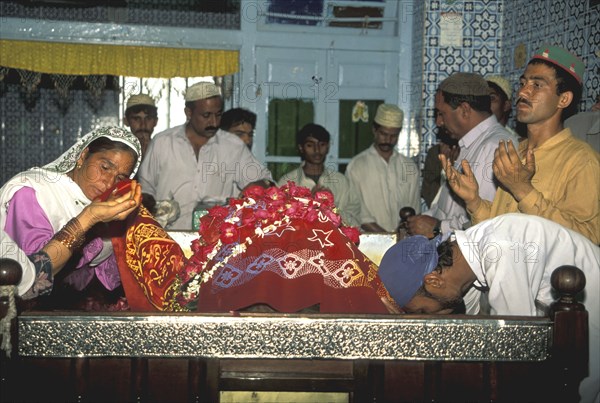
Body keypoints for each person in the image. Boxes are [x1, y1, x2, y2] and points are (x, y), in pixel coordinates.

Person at [377, 213, 599, 403]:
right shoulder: (463, 260)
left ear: (433, 281)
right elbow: (469, 333)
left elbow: (517, 349)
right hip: (569, 322)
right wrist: (407, 330)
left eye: (423, 312)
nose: (429, 317)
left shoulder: (499, 249)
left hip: (591, 319)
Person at [441, 45, 600, 244]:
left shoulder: (582, 160)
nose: (523, 92)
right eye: (523, 83)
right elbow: (503, 229)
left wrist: (523, 190)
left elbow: (588, 239)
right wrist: (474, 201)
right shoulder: (517, 151)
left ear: (564, 99)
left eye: (537, 85)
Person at [0, 127, 143, 304]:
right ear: (82, 156)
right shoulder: (33, 192)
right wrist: (90, 219)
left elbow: (104, 274)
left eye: (121, 178)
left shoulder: (100, 204)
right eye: (105, 167)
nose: (109, 182)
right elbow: (36, 274)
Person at [137, 81, 273, 230]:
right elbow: (145, 189)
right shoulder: (162, 142)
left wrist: (261, 185)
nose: (214, 122)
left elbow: (266, 181)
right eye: (206, 115)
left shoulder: (233, 146)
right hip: (167, 237)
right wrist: (154, 207)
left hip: (213, 241)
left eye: (218, 115)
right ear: (189, 113)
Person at [407, 72, 516, 240]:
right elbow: (448, 208)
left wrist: (438, 228)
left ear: (465, 110)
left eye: (442, 113)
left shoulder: (495, 146)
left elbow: (489, 221)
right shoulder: (469, 144)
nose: (438, 122)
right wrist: (417, 223)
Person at [345, 103, 421, 233]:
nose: (388, 140)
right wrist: (387, 238)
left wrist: (398, 237)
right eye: (384, 134)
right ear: (374, 130)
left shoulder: (409, 167)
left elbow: (414, 210)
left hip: (401, 242)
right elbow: (357, 213)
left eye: (393, 136)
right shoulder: (357, 166)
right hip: (369, 243)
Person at [277, 123, 360, 227]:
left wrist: (330, 208)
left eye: (322, 145)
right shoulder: (287, 182)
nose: (317, 150)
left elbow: (355, 222)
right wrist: (310, 202)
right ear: (301, 148)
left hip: (336, 242)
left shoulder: (341, 181)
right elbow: (279, 224)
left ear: (328, 146)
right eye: (310, 145)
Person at [420, 126, 459, 209]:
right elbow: (427, 188)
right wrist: (442, 163)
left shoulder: (466, 150)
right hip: (438, 209)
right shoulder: (434, 153)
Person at [123, 93, 158, 158]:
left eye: (148, 118)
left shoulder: (164, 150)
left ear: (155, 121)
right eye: (136, 119)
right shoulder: (119, 151)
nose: (143, 125)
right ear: (126, 121)